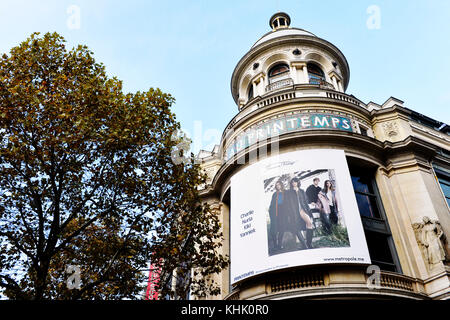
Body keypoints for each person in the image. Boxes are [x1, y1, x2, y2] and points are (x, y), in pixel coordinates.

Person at [284, 178, 314, 249]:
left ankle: (309, 243)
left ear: (298, 183)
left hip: (303, 210)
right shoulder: (288, 192)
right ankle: (304, 245)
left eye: (295, 182)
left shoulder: (302, 191)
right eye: (292, 182)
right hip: (293, 212)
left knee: (309, 223)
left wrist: (310, 206)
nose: (294, 183)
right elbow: (287, 203)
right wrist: (289, 213)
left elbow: (306, 200)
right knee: (296, 227)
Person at [268, 180, 285, 251]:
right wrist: (271, 213)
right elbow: (272, 205)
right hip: (275, 214)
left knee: (282, 229)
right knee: (273, 230)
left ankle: (280, 244)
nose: (278, 186)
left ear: (281, 185)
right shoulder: (275, 194)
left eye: (279, 184)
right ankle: (275, 245)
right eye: (276, 185)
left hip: (283, 214)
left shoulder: (285, 193)